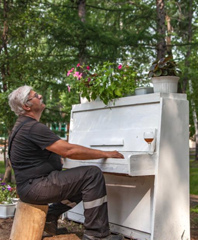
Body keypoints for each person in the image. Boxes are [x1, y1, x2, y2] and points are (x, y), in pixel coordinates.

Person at [8, 86, 125, 240]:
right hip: (36, 186)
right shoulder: (32, 127)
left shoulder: (22, 125)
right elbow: (69, 151)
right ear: (26, 106)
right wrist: (105, 153)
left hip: (30, 186)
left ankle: (51, 216)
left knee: (79, 182)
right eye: (35, 95)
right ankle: (97, 235)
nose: (41, 95)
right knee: (92, 175)